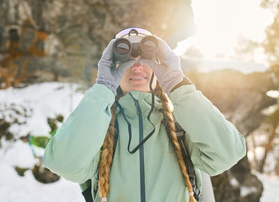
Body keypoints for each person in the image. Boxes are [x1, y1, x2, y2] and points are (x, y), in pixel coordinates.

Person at [43, 28, 246, 202]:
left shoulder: (183, 127)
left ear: (158, 68)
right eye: (126, 58)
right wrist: (103, 88)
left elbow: (229, 152)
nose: (137, 65)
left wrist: (177, 83)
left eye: (147, 58)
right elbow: (62, 162)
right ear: (113, 68)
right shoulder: (98, 130)